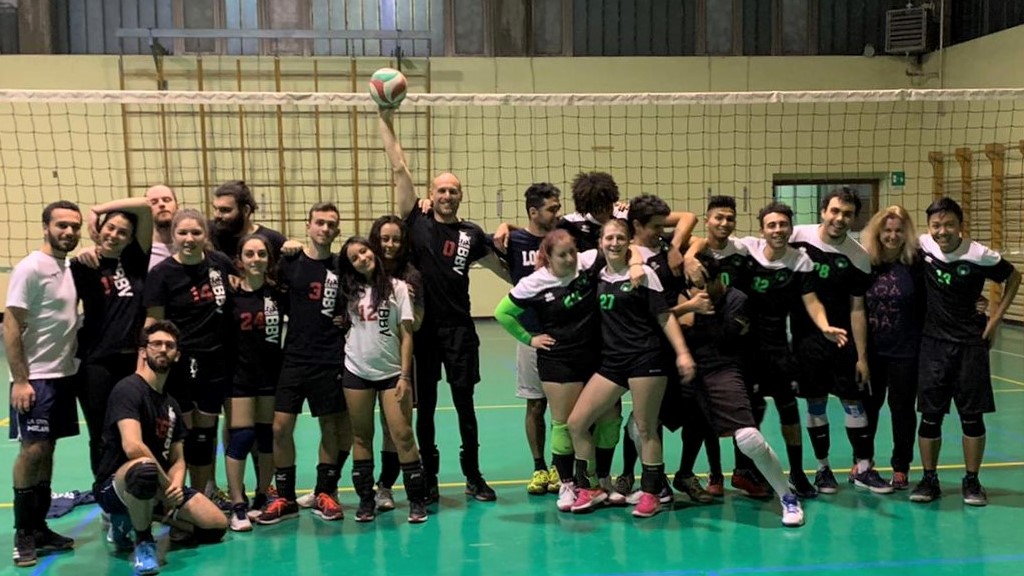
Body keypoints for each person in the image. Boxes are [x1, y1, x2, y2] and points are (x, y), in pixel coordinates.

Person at [380, 107, 510, 503]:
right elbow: (399, 169)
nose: (447, 196)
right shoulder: (414, 219)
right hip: (422, 331)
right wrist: (385, 117)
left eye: (453, 190)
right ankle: (430, 477)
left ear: (460, 195)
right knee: (427, 409)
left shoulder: (472, 234)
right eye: (441, 190)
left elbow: (506, 271)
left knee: (465, 406)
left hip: (459, 331)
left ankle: (473, 474)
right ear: (431, 195)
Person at [567, 219, 694, 518]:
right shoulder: (597, 275)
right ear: (600, 242)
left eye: (620, 238)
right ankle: (591, 487)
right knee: (576, 422)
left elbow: (664, 316)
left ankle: (651, 493)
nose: (614, 243)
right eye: (609, 238)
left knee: (645, 428)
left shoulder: (644, 274)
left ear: (629, 242)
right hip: (612, 362)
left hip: (645, 358)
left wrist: (682, 353)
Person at [681, 251, 807, 526]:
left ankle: (787, 497)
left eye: (704, 283)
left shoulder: (737, 300)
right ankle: (648, 486)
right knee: (640, 426)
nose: (700, 290)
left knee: (749, 437)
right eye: (693, 285)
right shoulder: (685, 298)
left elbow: (723, 338)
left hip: (721, 371)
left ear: (718, 279)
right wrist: (685, 308)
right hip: (685, 371)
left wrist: (693, 311)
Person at [93, 321, 228, 575]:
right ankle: (143, 541)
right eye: (156, 344)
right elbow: (132, 446)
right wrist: (167, 486)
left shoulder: (171, 404)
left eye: (170, 345)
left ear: (177, 355)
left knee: (216, 526)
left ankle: (138, 518)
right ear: (143, 352)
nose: (163, 349)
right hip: (116, 486)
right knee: (143, 469)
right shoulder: (128, 389)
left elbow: (178, 458)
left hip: (158, 487)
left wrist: (175, 486)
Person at [910, 197, 1020, 506]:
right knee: (930, 417)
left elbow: (1014, 277)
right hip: (933, 344)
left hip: (970, 345)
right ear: (929, 227)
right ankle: (929, 478)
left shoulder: (979, 255)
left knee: (972, 418)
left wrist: (995, 318)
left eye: (949, 225)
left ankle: (972, 480)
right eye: (936, 225)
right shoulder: (923, 246)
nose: (942, 231)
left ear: (960, 226)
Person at [495, 229, 603, 511]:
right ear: (548, 257)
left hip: (592, 355)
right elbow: (502, 313)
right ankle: (567, 483)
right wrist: (529, 339)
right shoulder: (535, 282)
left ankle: (594, 481)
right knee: (563, 423)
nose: (570, 259)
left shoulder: (588, 262)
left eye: (572, 252)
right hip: (559, 360)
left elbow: (625, 248)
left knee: (597, 421)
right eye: (562, 255)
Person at [256, 202, 350, 524]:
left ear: (337, 231)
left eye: (331, 224)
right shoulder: (290, 263)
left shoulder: (342, 267)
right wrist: (286, 246)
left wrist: (346, 319)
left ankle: (324, 492)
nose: (325, 228)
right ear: (308, 225)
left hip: (329, 358)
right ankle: (285, 497)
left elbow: (357, 301)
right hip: (294, 357)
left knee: (330, 428)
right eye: (319, 222)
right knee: (280, 428)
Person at [617, 194, 713, 505]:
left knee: (697, 411)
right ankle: (634, 475)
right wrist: (689, 306)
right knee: (646, 417)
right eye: (656, 226)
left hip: (680, 345)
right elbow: (649, 315)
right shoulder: (629, 258)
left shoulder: (667, 247)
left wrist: (683, 251)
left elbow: (693, 225)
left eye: (663, 225)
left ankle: (685, 473)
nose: (662, 231)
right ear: (636, 225)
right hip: (649, 347)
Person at [787, 187, 884, 494]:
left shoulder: (859, 257)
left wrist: (862, 356)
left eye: (848, 214)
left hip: (843, 341)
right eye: (835, 211)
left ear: (855, 218)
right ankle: (823, 469)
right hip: (807, 340)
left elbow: (858, 309)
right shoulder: (797, 237)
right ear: (823, 212)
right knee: (815, 403)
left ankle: (863, 468)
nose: (840, 218)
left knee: (853, 402)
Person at [7, 200, 83, 567]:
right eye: (61, 225)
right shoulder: (31, 267)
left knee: (48, 449)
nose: (68, 231)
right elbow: (10, 323)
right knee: (32, 450)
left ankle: (39, 527)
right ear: (46, 227)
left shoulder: (69, 268)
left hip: (63, 375)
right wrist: (20, 380)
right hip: (35, 378)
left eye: (74, 226)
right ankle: (23, 533)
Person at [143, 208, 237, 500]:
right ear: (173, 236)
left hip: (215, 359)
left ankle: (201, 494)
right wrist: (145, 363)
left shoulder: (219, 263)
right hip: (178, 363)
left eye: (196, 232)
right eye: (182, 232)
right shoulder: (162, 274)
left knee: (205, 433)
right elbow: (154, 322)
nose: (189, 238)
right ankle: (175, 494)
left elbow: (244, 285)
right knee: (181, 431)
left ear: (205, 235)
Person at [337, 236, 429, 523]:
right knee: (361, 436)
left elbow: (407, 334)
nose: (362, 258)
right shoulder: (348, 291)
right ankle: (366, 501)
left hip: (392, 375)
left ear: (372, 251)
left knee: (403, 435)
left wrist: (405, 376)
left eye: (363, 251)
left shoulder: (397, 287)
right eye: (354, 258)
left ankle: (416, 501)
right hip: (357, 371)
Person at [683, 195, 764, 497]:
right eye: (718, 217)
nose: (724, 223)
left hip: (737, 343)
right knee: (704, 415)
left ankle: (743, 471)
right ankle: (714, 474)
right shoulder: (692, 252)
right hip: (700, 343)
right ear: (707, 220)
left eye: (730, 218)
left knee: (748, 409)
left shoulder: (743, 250)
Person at [72, 197, 154, 476]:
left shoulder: (136, 259)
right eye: (110, 227)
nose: (114, 235)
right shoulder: (83, 264)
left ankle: (134, 487)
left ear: (130, 238)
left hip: (132, 362)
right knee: (101, 432)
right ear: (100, 230)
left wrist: (98, 209)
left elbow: (145, 206)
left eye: (122, 232)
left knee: (135, 430)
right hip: (96, 362)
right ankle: (105, 489)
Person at [498, 183, 563, 495]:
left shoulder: (564, 238)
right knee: (535, 405)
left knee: (564, 409)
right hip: (531, 336)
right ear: (534, 212)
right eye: (552, 209)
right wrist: (505, 226)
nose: (558, 213)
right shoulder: (513, 241)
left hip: (564, 335)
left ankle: (561, 466)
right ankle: (539, 467)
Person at [224, 234, 285, 531]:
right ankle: (238, 503)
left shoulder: (278, 294)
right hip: (239, 376)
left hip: (270, 374)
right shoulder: (231, 295)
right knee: (241, 437)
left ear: (269, 259)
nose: (256, 259)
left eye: (261, 254)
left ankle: (262, 495)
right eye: (249, 254)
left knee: (265, 437)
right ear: (240, 260)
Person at [861, 205, 925, 491]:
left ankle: (901, 467)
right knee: (868, 408)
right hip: (872, 352)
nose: (893, 235)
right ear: (878, 232)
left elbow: (934, 299)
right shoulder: (866, 263)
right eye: (887, 230)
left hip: (905, 351)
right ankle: (863, 461)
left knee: (902, 410)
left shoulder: (916, 264)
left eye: (899, 230)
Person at [366, 215, 425, 511]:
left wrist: (406, 305)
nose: (389, 245)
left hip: (395, 362)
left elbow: (418, 322)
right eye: (384, 239)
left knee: (396, 429)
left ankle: (386, 487)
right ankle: (334, 489)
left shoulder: (410, 276)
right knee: (360, 431)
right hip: (363, 362)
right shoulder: (362, 269)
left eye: (396, 240)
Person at [209, 180, 287, 260]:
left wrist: (293, 248)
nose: (217, 215)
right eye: (215, 209)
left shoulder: (273, 240)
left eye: (225, 210)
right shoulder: (207, 233)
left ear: (246, 210)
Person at [145, 184, 178, 270]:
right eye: (154, 202)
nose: (161, 204)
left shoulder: (190, 244)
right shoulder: (143, 251)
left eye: (167, 200)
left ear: (177, 206)